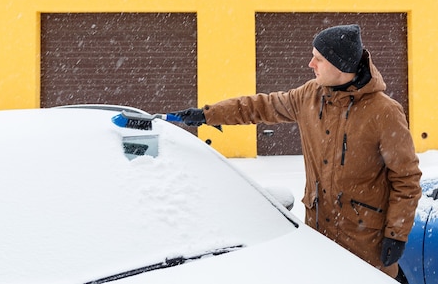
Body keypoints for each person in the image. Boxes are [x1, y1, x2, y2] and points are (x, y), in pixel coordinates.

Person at [172, 24, 422, 281]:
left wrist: (396, 234)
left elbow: (406, 179)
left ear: (341, 66)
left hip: (364, 242)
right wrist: (208, 114)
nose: (310, 63)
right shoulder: (309, 97)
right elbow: (260, 106)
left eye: (318, 58)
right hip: (318, 236)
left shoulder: (384, 112)